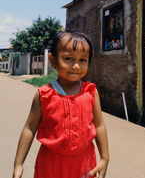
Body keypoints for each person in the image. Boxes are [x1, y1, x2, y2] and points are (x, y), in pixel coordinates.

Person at [12, 30, 109, 178]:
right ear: (53, 60)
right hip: (51, 165)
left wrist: (104, 158)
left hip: (85, 164)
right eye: (68, 58)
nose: (76, 66)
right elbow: (29, 128)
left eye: (83, 60)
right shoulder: (44, 95)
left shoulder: (90, 92)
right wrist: (18, 164)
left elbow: (99, 125)